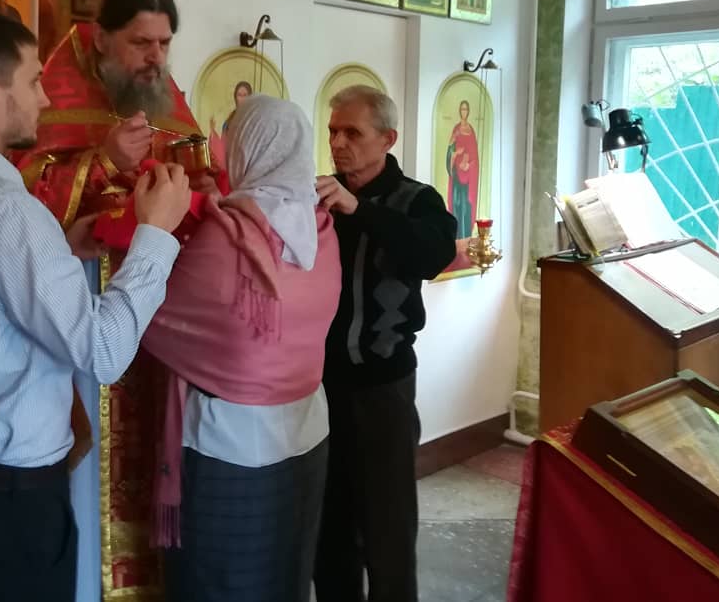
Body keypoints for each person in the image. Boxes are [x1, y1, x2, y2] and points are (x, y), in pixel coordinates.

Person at [0, 9, 193, 602]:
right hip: (6, 505)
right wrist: (156, 233)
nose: (46, 99)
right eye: (32, 81)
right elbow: (103, 351)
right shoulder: (5, 210)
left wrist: (61, 246)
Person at [10, 0, 210, 599]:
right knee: (93, 466)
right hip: (81, 301)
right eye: (140, 43)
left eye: (164, 43)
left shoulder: (163, 95)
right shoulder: (53, 91)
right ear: (101, 39)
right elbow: (16, 199)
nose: (155, 57)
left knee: (154, 447)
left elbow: (195, 169)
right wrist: (99, 160)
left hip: (159, 310)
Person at [141, 95, 341, 602]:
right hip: (307, 436)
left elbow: (152, 321)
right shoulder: (323, 231)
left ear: (249, 149)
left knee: (220, 580)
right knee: (286, 574)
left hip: (228, 448)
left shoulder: (226, 237)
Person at [313, 85, 457, 602]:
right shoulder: (320, 196)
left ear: (387, 139)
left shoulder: (417, 200)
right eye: (333, 131)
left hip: (383, 388)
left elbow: (432, 254)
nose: (338, 143)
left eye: (352, 132)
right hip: (322, 388)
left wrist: (360, 210)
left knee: (388, 527)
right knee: (330, 526)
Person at [446, 98, 478, 239]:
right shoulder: (456, 130)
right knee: (457, 204)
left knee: (466, 206)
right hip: (457, 175)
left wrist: (469, 165)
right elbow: (450, 150)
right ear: (460, 111)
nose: (464, 112)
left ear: (468, 112)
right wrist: (455, 154)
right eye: (462, 109)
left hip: (468, 178)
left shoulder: (471, 131)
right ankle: (456, 238)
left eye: (466, 109)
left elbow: (475, 157)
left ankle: (466, 238)